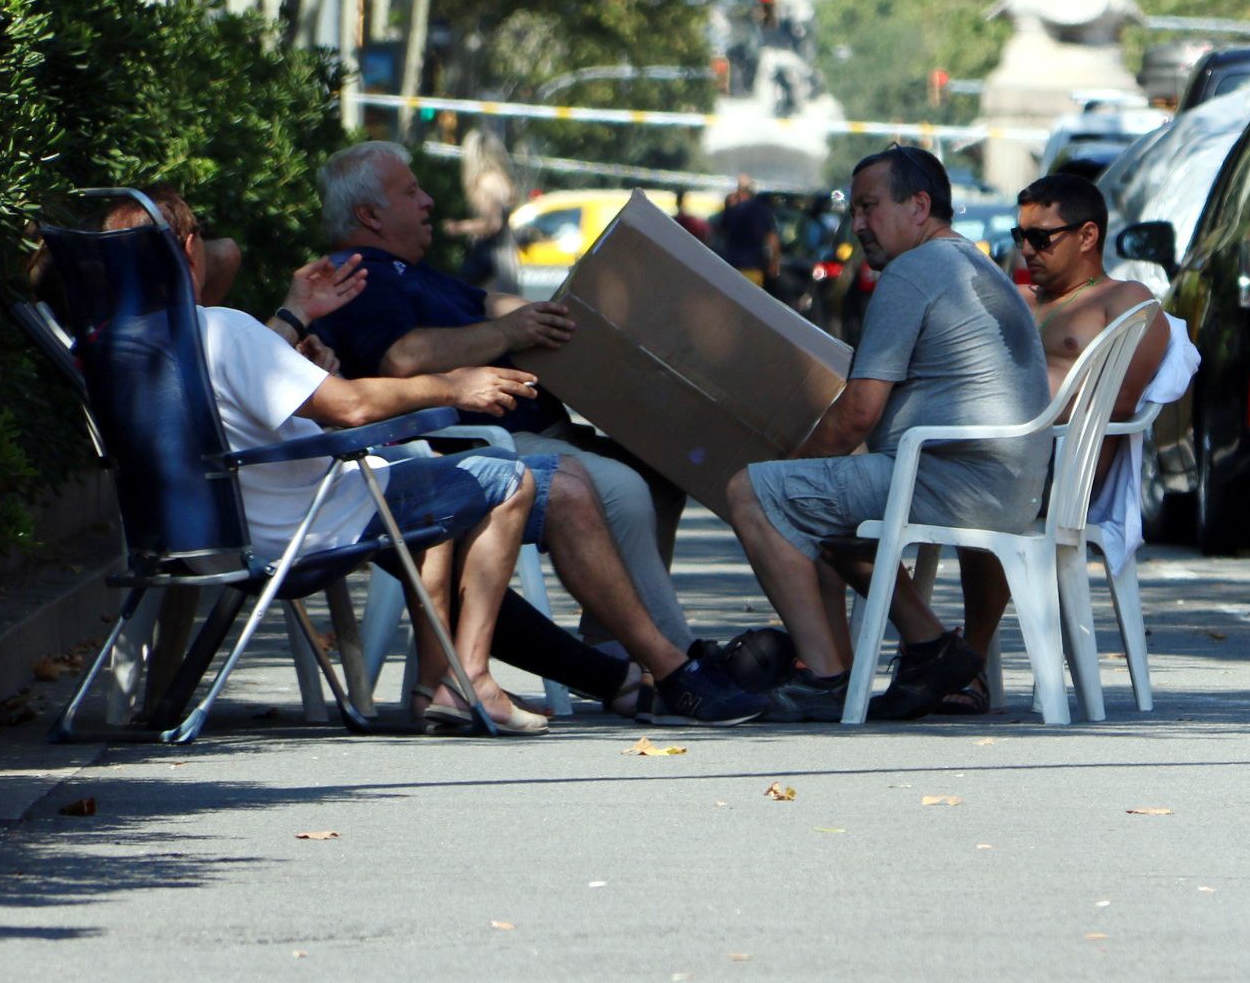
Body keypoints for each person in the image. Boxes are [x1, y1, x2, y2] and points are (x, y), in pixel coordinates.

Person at [101, 189, 769, 731]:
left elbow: (230, 391)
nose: (422, 197)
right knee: (505, 482)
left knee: (472, 491)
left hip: (212, 527)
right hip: (316, 519)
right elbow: (353, 407)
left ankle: (607, 675)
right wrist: (453, 387)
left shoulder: (108, 347)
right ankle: (490, 676)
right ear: (186, 251)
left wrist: (291, 318)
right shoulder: (223, 329)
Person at [308, 142, 697, 655]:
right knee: (622, 487)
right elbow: (401, 357)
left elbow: (497, 303)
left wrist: (587, 320)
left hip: (530, 432)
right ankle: (673, 656)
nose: (427, 201)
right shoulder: (358, 275)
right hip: (470, 443)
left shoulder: (414, 273)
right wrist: (510, 332)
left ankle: (616, 644)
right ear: (369, 214)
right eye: (410, 191)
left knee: (662, 475)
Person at [722, 146, 1051, 721]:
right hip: (1008, 484)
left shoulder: (914, 271)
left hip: (954, 480)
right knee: (816, 510)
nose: (858, 224)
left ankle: (826, 677)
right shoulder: (972, 263)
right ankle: (930, 648)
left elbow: (857, 414)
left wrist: (791, 469)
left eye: (870, 207)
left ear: (919, 205)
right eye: (854, 210)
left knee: (752, 494)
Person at [928, 173, 1194, 714]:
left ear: (1088, 235)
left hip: (1061, 476)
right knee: (855, 502)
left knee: (985, 498)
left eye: (1041, 238)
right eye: (1019, 236)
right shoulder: (1011, 298)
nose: (1026, 249)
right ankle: (910, 647)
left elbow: (1117, 404)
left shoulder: (1126, 301)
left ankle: (966, 660)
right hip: (981, 451)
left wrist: (1024, 410)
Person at [444, 127, 521, 297]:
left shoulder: (483, 182)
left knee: (459, 296)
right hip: (505, 254)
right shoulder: (501, 179)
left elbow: (492, 224)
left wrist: (458, 227)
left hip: (488, 256)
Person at [711, 174, 778, 288]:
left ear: (739, 192)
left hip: (730, 266)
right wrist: (774, 263)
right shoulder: (763, 212)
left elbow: (717, 234)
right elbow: (772, 240)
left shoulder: (731, 211)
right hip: (753, 268)